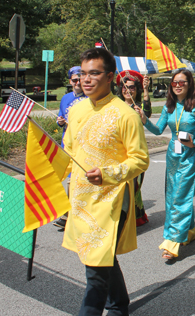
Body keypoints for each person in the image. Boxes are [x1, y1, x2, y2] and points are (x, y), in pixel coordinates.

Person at [62, 48, 149, 316]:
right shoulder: (76, 111)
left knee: (95, 270)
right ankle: (119, 305)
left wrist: (108, 174)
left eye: (94, 74)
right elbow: (68, 151)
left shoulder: (126, 115)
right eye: (82, 74)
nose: (86, 80)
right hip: (81, 199)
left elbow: (140, 160)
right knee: (102, 257)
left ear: (110, 76)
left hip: (110, 201)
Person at [138, 69, 195, 260]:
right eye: (174, 83)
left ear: (189, 85)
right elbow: (157, 130)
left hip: (189, 156)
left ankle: (172, 242)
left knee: (180, 197)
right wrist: (145, 120)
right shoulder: (168, 108)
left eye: (182, 82)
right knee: (172, 196)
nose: (178, 85)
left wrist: (194, 142)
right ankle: (190, 231)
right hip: (172, 155)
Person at [53, 66, 87, 229]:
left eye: (80, 79)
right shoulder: (65, 98)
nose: (78, 83)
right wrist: (59, 122)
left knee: (77, 179)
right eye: (74, 80)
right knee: (69, 179)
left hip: (84, 145)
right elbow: (61, 117)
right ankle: (69, 214)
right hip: (67, 144)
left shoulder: (89, 98)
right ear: (70, 82)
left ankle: (71, 214)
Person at [117, 70, 152, 226]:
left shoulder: (139, 106)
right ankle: (123, 215)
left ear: (136, 90)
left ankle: (135, 216)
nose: (127, 90)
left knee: (134, 186)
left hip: (136, 151)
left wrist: (146, 89)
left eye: (131, 87)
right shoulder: (115, 106)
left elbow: (148, 112)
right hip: (118, 152)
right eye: (124, 86)